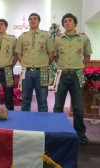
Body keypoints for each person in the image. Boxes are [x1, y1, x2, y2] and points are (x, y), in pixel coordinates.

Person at [53, 13, 92, 144]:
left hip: (77, 74)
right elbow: (56, 57)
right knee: (58, 105)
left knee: (78, 107)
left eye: (70, 21)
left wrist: (77, 66)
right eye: (65, 21)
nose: (67, 23)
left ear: (75, 23)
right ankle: (57, 132)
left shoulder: (83, 38)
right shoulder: (58, 39)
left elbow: (87, 57)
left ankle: (80, 133)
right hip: (62, 74)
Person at [15, 13, 54, 112]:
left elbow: (51, 54)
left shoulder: (46, 36)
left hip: (42, 71)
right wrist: (24, 62)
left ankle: (42, 125)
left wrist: (43, 63)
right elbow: (18, 53)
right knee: (25, 100)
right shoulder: (22, 37)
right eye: (30, 19)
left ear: (39, 21)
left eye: (35, 19)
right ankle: (25, 125)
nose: (32, 20)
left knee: (42, 100)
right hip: (27, 71)